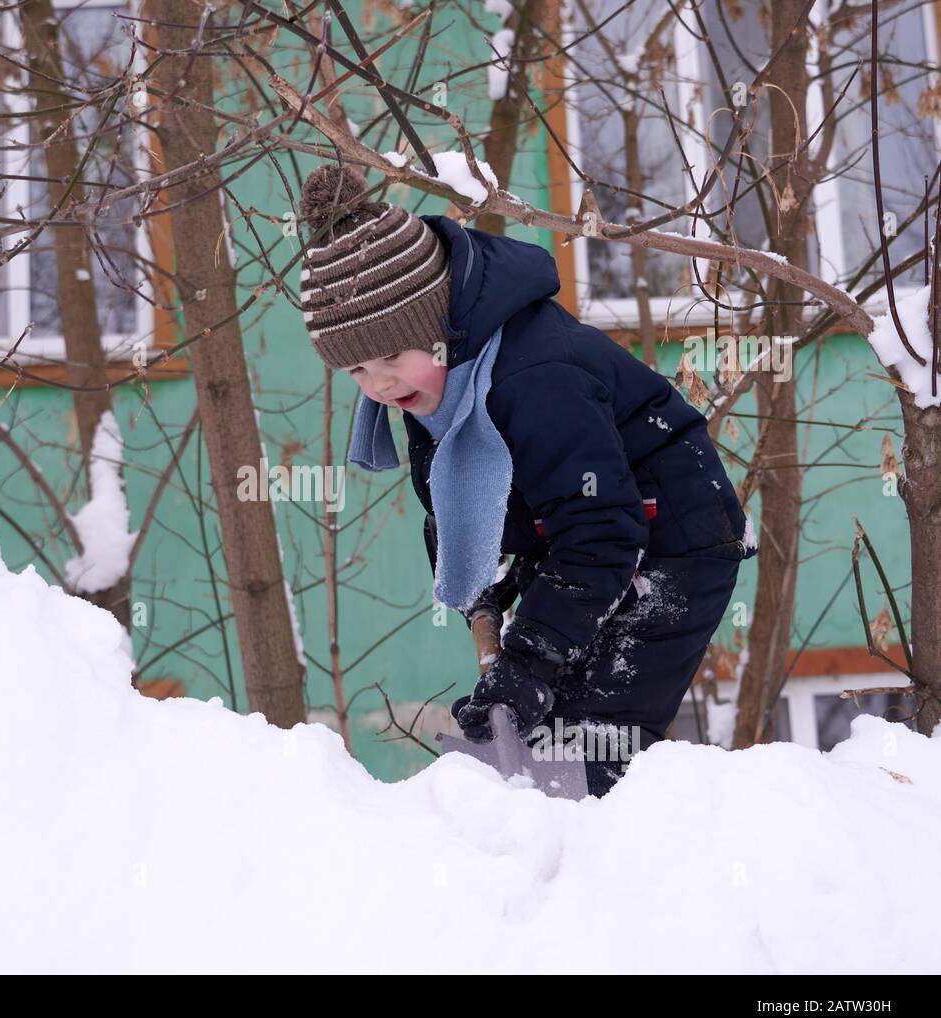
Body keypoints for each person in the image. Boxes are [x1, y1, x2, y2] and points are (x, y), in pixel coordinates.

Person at [297, 164, 756, 798]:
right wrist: (487, 593)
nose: (376, 385)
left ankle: (608, 862)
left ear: (438, 328)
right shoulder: (434, 383)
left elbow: (600, 529)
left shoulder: (535, 377)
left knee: (593, 735)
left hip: (671, 543)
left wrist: (526, 664)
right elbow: (453, 501)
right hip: (578, 539)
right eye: (354, 370)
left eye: (389, 358)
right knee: (537, 721)